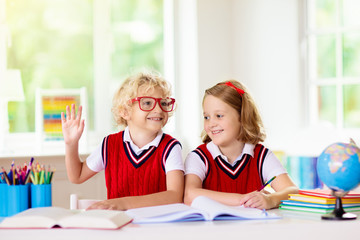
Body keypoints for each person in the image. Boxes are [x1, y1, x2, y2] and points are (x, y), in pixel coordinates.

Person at [61, 71, 184, 210]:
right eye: (148, 102)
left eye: (163, 103)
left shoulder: (171, 147)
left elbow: (175, 196)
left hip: (156, 228)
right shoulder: (109, 145)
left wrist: (123, 203)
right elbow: (77, 176)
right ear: (125, 111)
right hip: (118, 226)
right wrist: (71, 144)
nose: (158, 109)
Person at [184, 80, 298, 210]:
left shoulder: (261, 156)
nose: (211, 124)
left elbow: (292, 191)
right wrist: (243, 199)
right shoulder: (198, 157)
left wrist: (270, 199)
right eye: (207, 117)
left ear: (242, 116)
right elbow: (190, 195)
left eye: (219, 115)